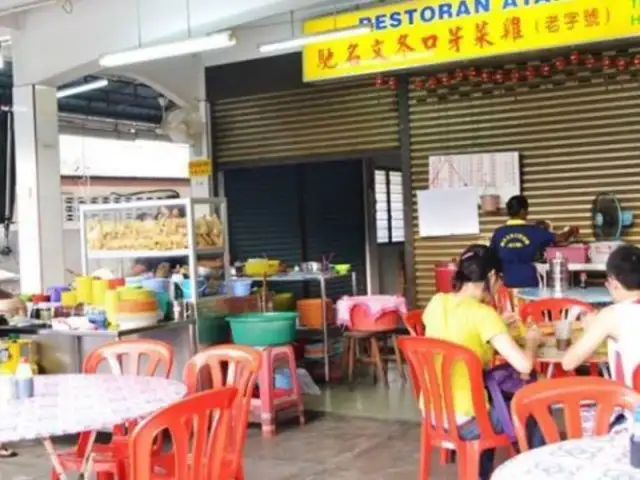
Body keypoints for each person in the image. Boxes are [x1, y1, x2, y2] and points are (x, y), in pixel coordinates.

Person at [423, 245, 544, 480]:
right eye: (498, 278)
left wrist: (495, 325)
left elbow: (456, 333)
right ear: (490, 276)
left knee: (494, 397)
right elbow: (525, 367)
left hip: (434, 412)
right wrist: (532, 342)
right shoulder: (483, 314)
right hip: (468, 420)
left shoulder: (436, 302)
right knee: (535, 405)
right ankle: (536, 471)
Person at [562, 244, 640, 386]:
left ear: (614, 283)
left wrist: (590, 329)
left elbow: (568, 362)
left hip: (632, 405)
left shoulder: (611, 315)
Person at [490, 195, 577, 288]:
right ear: (523, 211)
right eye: (527, 210)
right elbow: (561, 238)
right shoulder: (533, 231)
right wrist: (571, 230)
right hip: (528, 283)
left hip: (506, 284)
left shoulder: (498, 233)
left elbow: (492, 256)